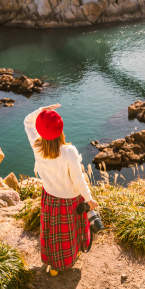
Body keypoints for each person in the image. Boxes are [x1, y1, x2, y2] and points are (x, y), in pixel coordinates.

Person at [24, 104, 98, 277]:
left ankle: (54, 266)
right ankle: (70, 258)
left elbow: (27, 122)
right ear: (60, 130)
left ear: (41, 131)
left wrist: (42, 111)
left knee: (53, 233)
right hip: (70, 200)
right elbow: (78, 181)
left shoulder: (37, 146)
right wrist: (89, 199)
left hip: (49, 198)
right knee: (69, 232)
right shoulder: (69, 152)